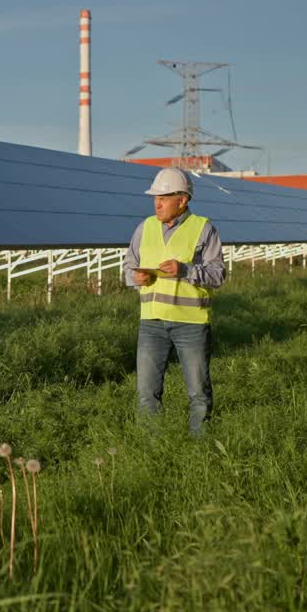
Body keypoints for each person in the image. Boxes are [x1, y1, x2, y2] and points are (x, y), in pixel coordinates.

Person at [121, 167, 226, 435]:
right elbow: (129, 264)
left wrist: (185, 270)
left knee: (198, 392)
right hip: (151, 323)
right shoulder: (144, 228)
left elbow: (218, 275)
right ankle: (152, 447)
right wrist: (136, 278)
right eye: (155, 197)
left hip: (190, 323)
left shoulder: (203, 229)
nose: (157, 203)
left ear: (182, 200)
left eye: (164, 197)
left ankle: (199, 448)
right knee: (146, 392)